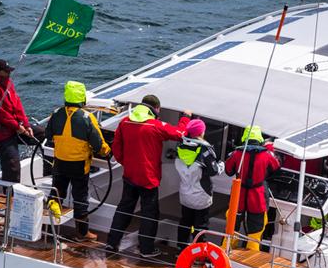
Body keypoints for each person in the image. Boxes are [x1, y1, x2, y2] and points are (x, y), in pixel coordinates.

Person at [105, 95, 190, 257]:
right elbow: (180, 133)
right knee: (149, 213)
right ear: (156, 109)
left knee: (124, 209)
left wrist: (126, 163)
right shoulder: (156, 126)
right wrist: (186, 117)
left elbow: (116, 147)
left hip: (130, 175)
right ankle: (146, 249)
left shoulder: (125, 122)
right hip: (148, 178)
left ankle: (111, 243)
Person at [43, 81, 111, 241]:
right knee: (80, 197)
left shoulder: (56, 114)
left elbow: (48, 136)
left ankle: (49, 228)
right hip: (79, 165)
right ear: (82, 98)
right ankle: (82, 233)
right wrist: (107, 152)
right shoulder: (87, 118)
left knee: (56, 193)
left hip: (59, 162)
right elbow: (98, 143)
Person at [0, 58, 42, 183]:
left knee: (45, 134)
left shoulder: (8, 83)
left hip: (17, 128)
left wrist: (26, 124)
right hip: (2, 134)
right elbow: (1, 114)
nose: (9, 73)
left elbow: (17, 104)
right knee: (12, 165)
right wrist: (17, 127)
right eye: (6, 71)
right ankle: (9, 196)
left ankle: (49, 170)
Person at [225, 125, 280, 251]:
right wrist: (269, 147)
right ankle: (250, 259)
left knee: (231, 227)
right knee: (256, 231)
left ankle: (226, 253)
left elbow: (228, 170)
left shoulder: (236, 153)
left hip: (238, 196)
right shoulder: (267, 155)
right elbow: (276, 166)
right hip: (257, 197)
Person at [174, 119, 224, 249]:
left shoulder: (180, 147)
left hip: (185, 193)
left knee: (185, 222)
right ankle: (199, 252)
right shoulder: (205, 150)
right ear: (201, 132)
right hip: (201, 194)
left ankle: (181, 248)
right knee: (201, 226)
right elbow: (214, 171)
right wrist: (222, 165)